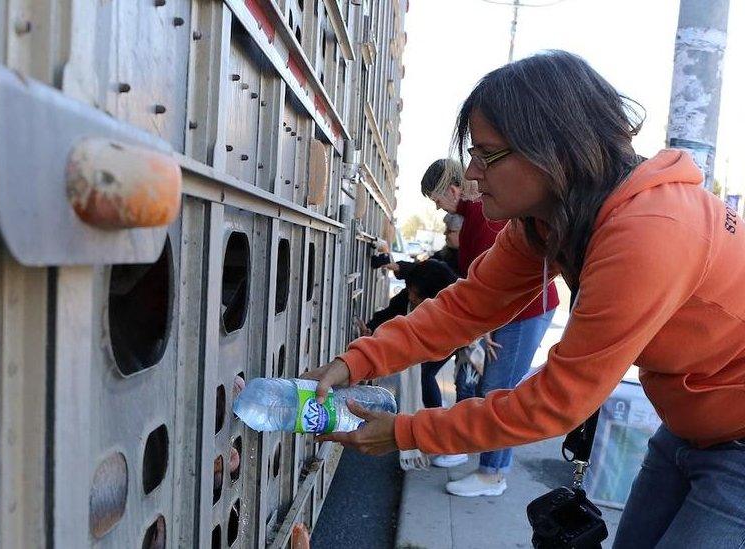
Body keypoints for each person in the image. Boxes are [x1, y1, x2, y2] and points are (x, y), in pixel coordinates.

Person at [304, 50, 745, 547]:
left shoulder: (650, 234)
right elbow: (466, 305)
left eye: (486, 153)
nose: (470, 173)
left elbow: (556, 403)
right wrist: (354, 362)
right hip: (686, 431)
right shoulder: (549, 218)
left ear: (554, 150)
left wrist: (408, 432)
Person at [417, 158, 561, 486]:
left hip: (525, 310)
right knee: (485, 386)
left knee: (498, 389)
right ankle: (478, 459)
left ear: (453, 191)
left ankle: (492, 475)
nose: (439, 209)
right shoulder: (473, 217)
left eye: (438, 200)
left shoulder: (480, 220)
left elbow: (498, 284)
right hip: (516, 309)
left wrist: (487, 327)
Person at [359, 260, 459, 410]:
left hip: (444, 342)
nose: (411, 297)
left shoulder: (449, 313)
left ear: (432, 299)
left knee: (424, 375)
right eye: (410, 291)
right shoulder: (411, 293)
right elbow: (389, 313)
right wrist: (371, 328)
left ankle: (433, 413)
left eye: (416, 296)